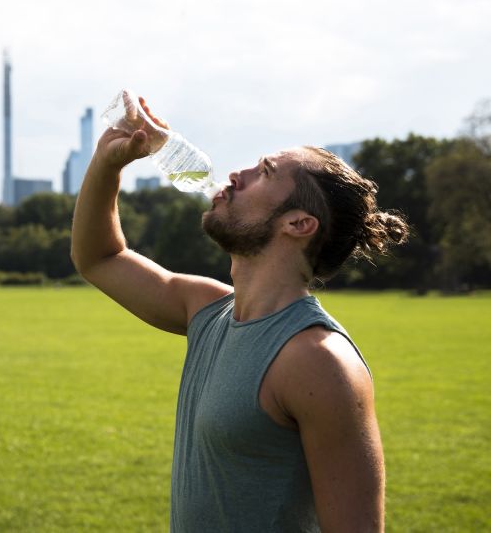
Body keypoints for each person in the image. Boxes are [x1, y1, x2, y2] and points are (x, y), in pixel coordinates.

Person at [70, 96, 409, 532]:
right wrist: (107, 162)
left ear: (298, 224)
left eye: (264, 172)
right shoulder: (207, 310)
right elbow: (99, 257)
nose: (236, 174)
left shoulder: (320, 362)